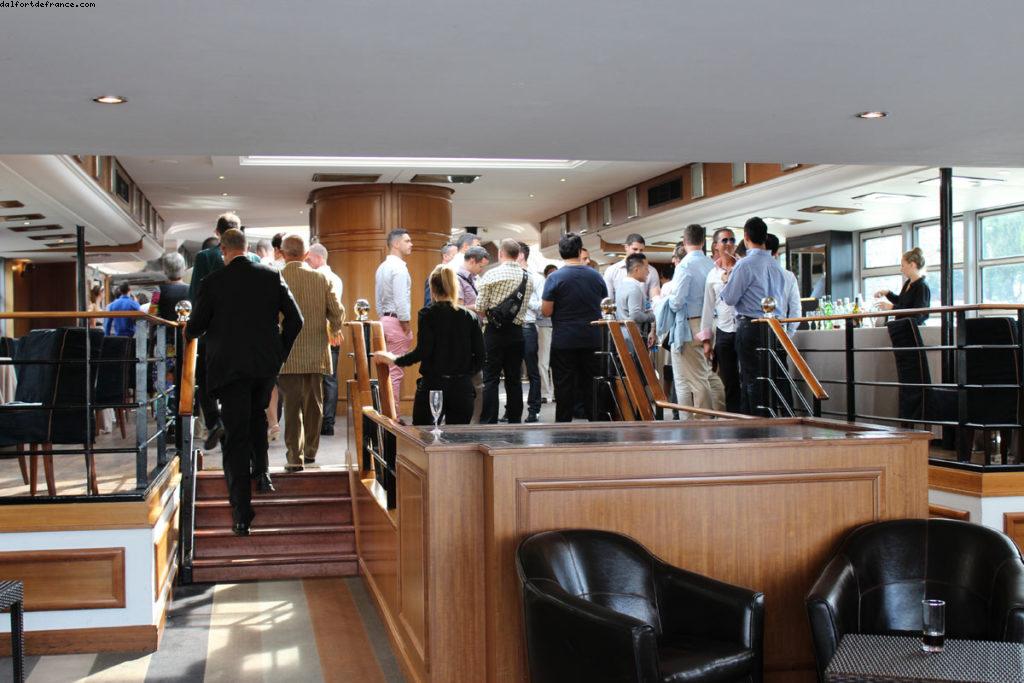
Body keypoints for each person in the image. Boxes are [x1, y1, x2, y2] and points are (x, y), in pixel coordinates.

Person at [186, 229, 302, 535]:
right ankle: (262, 474)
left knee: (235, 437)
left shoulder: (212, 283)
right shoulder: (271, 276)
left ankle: (241, 513)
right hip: (264, 366)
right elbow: (296, 319)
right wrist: (279, 352)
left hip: (228, 369)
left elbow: (194, 328)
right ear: (247, 248)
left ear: (223, 250)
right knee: (257, 418)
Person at [374, 266, 484, 426]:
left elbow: (423, 352)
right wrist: (464, 373)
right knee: (458, 440)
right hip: (462, 389)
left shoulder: (428, 314)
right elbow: (481, 357)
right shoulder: (470, 317)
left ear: (432, 288)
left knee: (424, 439)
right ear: (454, 287)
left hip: (433, 386)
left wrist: (395, 359)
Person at [187, 213, 260, 450]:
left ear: (217, 234)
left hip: (213, 333)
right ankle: (241, 430)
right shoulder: (256, 259)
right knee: (241, 384)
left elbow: (196, 295)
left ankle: (214, 421)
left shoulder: (205, 258)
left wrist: (193, 328)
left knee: (204, 379)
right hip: (248, 336)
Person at [278, 235, 345, 471]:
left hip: (286, 354)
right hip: (316, 352)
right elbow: (337, 312)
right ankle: (310, 452)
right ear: (306, 254)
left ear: (283, 253)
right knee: (314, 404)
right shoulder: (321, 278)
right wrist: (333, 329)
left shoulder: (277, 279)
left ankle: (293, 457)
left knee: (291, 406)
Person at [720, 217, 788, 416]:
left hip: (750, 326)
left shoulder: (744, 265)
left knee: (750, 377)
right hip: (774, 326)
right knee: (770, 376)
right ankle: (771, 419)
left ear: (746, 237)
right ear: (765, 237)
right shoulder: (777, 266)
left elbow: (730, 298)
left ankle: (753, 423)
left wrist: (726, 280)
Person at [542, 233, 607, 422]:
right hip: (592, 338)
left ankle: (563, 427)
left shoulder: (554, 278)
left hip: (564, 340)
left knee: (564, 386)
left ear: (561, 252)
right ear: (580, 251)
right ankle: (597, 425)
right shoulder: (596, 276)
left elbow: (546, 311)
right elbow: (603, 304)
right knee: (592, 384)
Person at [476, 239, 533, 424]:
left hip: (493, 332)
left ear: (500, 254)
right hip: (517, 333)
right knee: (514, 378)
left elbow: (480, 306)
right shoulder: (527, 278)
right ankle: (515, 418)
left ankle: (489, 420)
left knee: (491, 378)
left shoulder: (491, 275)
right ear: (518, 255)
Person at [666, 225, 717, 414]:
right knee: (685, 377)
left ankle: (704, 420)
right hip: (709, 323)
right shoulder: (711, 264)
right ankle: (687, 419)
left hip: (689, 325)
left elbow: (677, 301)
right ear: (703, 241)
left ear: (684, 241)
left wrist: (665, 301)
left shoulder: (685, 265)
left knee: (696, 378)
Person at [699, 228, 741, 412]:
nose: (729, 243)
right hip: (723, 332)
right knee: (729, 380)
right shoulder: (712, 275)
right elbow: (707, 308)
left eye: (732, 240)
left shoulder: (743, 267)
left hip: (744, 329)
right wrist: (706, 340)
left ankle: (751, 418)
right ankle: (734, 419)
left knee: (747, 378)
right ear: (716, 245)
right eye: (724, 240)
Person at [305, 242, 345, 436]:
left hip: (319, 332)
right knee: (330, 378)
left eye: (309, 258)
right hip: (333, 332)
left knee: (317, 378)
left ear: (319, 258)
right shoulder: (336, 278)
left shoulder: (318, 277)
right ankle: (327, 422)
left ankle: (320, 419)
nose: (307, 262)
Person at [375, 228, 414, 404]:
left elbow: (377, 299)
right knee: (395, 373)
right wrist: (405, 325)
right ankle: (393, 418)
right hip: (396, 321)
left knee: (386, 372)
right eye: (407, 241)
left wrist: (382, 319)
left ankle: (387, 415)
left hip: (383, 320)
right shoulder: (399, 268)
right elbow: (401, 299)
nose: (411, 244)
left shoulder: (382, 267)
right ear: (396, 244)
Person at [517, 242, 546, 423]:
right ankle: (511, 410)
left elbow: (542, 308)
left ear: (520, 255)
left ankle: (533, 409)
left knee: (532, 371)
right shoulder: (508, 276)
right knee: (512, 371)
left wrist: (524, 299)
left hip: (527, 326)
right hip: (509, 327)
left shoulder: (536, 278)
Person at [875, 247, 931, 325]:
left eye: (903, 266)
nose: (901, 269)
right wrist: (887, 293)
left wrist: (892, 308)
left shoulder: (922, 286)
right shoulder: (908, 282)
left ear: (912, 265)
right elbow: (901, 302)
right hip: (902, 326)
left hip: (913, 329)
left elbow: (918, 315)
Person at [603, 233, 661, 302]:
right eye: (635, 249)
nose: (638, 253)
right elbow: (608, 300)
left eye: (641, 250)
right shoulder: (611, 270)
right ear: (626, 247)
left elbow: (655, 300)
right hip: (619, 311)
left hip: (643, 311)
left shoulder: (651, 271)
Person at [615, 253, 656, 333]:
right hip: (633, 335)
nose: (648, 272)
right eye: (646, 268)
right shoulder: (634, 288)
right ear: (636, 269)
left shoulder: (620, 286)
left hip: (622, 333)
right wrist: (651, 316)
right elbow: (635, 315)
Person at [536, 264, 557, 404]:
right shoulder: (543, 288)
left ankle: (556, 393)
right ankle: (544, 392)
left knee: (556, 362)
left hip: (558, 326)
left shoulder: (559, 286)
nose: (552, 276)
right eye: (550, 273)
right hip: (544, 326)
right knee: (543, 361)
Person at [457, 246, 489, 314]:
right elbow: (458, 308)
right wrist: (479, 306)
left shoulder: (475, 277)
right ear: (472, 261)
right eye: (481, 266)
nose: (482, 270)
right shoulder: (457, 279)